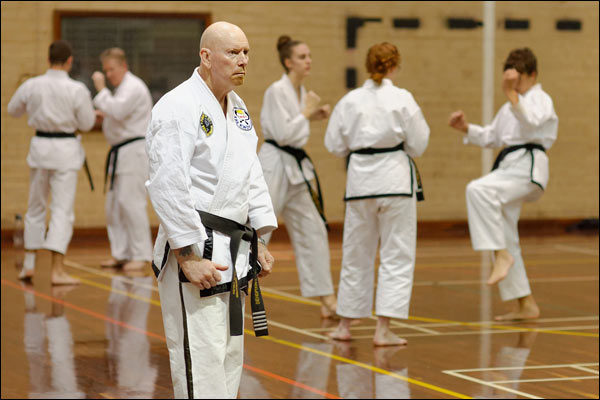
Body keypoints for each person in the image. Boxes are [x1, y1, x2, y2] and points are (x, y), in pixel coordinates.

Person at [145, 21, 277, 398]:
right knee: (199, 359)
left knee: (229, 356)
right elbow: (167, 184)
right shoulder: (178, 106)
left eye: (246, 52)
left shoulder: (237, 109)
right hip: (197, 250)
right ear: (205, 56)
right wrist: (186, 255)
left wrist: (259, 242)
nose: (243, 60)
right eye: (232, 52)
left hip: (233, 250)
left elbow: (250, 173)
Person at [324, 42, 430, 345]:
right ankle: (383, 329)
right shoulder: (402, 98)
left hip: (360, 183)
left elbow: (334, 145)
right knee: (396, 254)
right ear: (395, 66)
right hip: (395, 181)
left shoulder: (350, 100)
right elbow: (419, 143)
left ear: (368, 65)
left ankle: (345, 325)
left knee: (356, 253)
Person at [448, 47, 558, 321]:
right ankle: (526, 304)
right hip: (510, 167)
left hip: (527, 166)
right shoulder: (510, 105)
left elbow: (532, 124)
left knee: (477, 189)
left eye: (517, 80)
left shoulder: (540, 99)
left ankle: (499, 255)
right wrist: (465, 128)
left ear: (532, 75)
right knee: (508, 235)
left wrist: (511, 94)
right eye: (510, 80)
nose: (514, 86)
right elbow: (492, 136)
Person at [258, 35, 337, 318]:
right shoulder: (276, 90)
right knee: (260, 228)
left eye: (310, 56)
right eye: (303, 57)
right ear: (289, 61)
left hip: (295, 165)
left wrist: (310, 115)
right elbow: (283, 133)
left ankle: (327, 299)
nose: (309, 61)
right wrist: (306, 114)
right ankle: (238, 289)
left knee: (313, 227)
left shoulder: (300, 91)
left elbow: (294, 128)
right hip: (275, 161)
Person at [8, 40, 95, 285]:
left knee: (35, 206)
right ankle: (57, 270)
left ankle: (29, 264)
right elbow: (87, 124)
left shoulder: (31, 85)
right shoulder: (77, 89)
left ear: (48, 60)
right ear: (69, 61)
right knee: (61, 210)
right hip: (65, 151)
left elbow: (13, 110)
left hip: (40, 150)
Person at [92, 48, 153, 271]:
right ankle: (121, 253)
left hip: (134, 152)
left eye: (111, 69)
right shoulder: (120, 90)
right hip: (120, 152)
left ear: (124, 66)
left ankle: (141, 254)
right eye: (106, 70)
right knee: (114, 206)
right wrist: (104, 114)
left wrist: (100, 90)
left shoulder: (133, 86)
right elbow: (116, 113)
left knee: (131, 204)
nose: (108, 74)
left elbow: (117, 111)